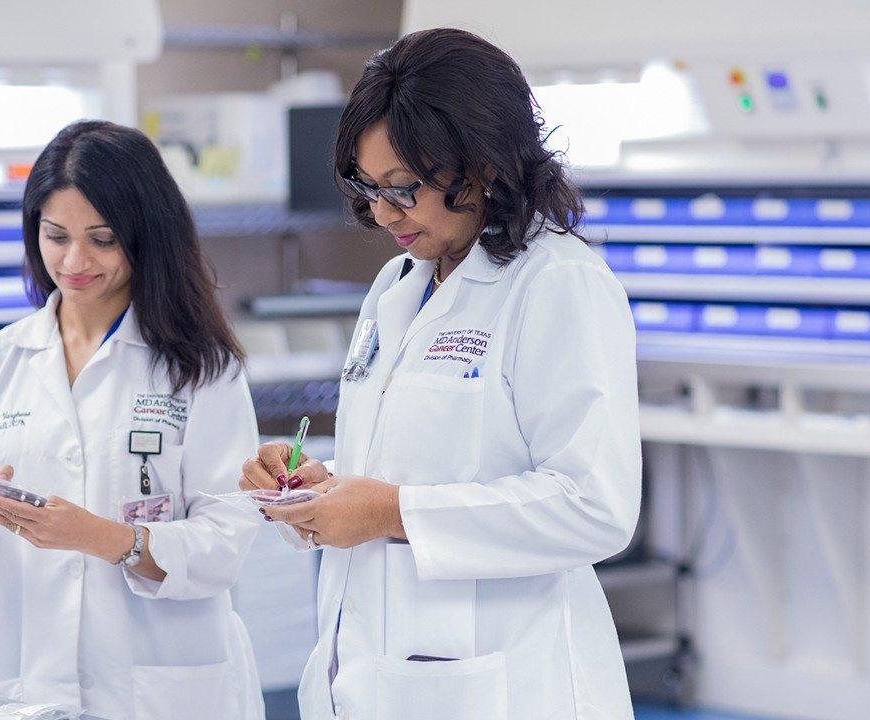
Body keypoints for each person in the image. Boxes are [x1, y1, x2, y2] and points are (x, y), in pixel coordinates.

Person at [239, 28, 642, 720]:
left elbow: (593, 506)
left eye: (403, 189)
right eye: (367, 189)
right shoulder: (398, 286)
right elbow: (410, 463)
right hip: (372, 671)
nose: (381, 213)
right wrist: (321, 488)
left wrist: (386, 512)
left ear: (482, 165)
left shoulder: (558, 284)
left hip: (506, 684)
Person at [0, 120, 264, 719]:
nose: (74, 261)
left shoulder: (200, 367)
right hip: (31, 688)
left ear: (144, 236)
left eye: (102, 239)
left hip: (161, 695)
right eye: (56, 236)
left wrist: (104, 539)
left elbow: (227, 539)